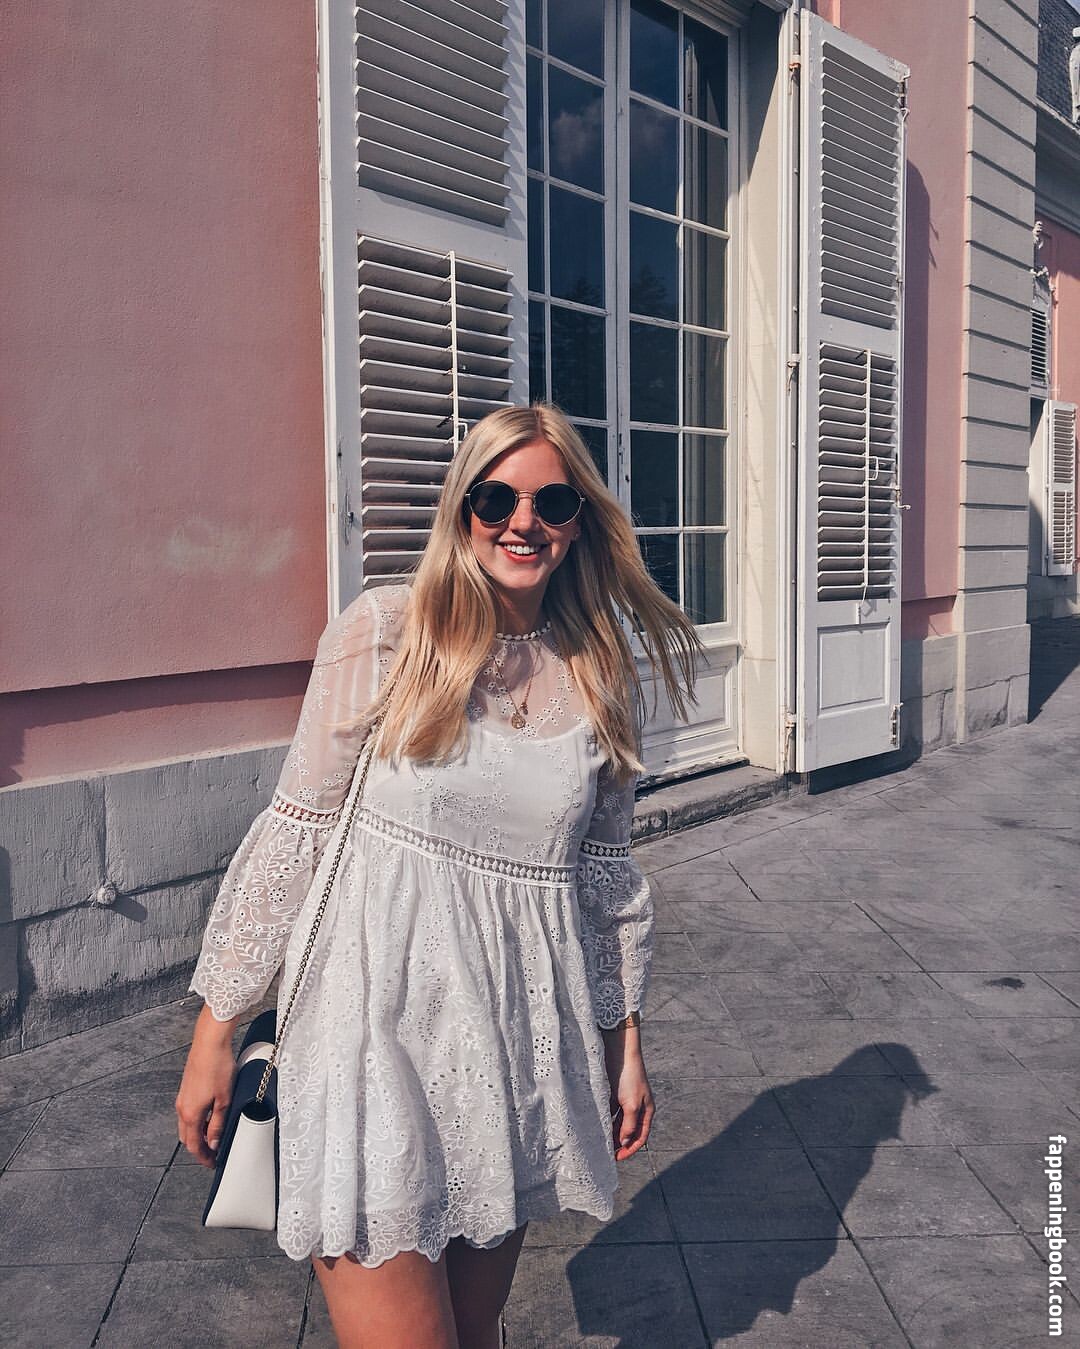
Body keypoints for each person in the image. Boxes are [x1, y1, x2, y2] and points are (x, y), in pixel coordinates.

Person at [175, 402, 703, 1348]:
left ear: (581, 520)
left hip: (512, 1054)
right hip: (367, 1040)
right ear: (463, 509)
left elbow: (604, 885)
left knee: (474, 1330)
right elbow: (296, 835)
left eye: (552, 502)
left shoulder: (600, 677)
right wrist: (216, 1030)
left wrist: (623, 1043)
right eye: (496, 498)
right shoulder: (387, 632)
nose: (523, 522)